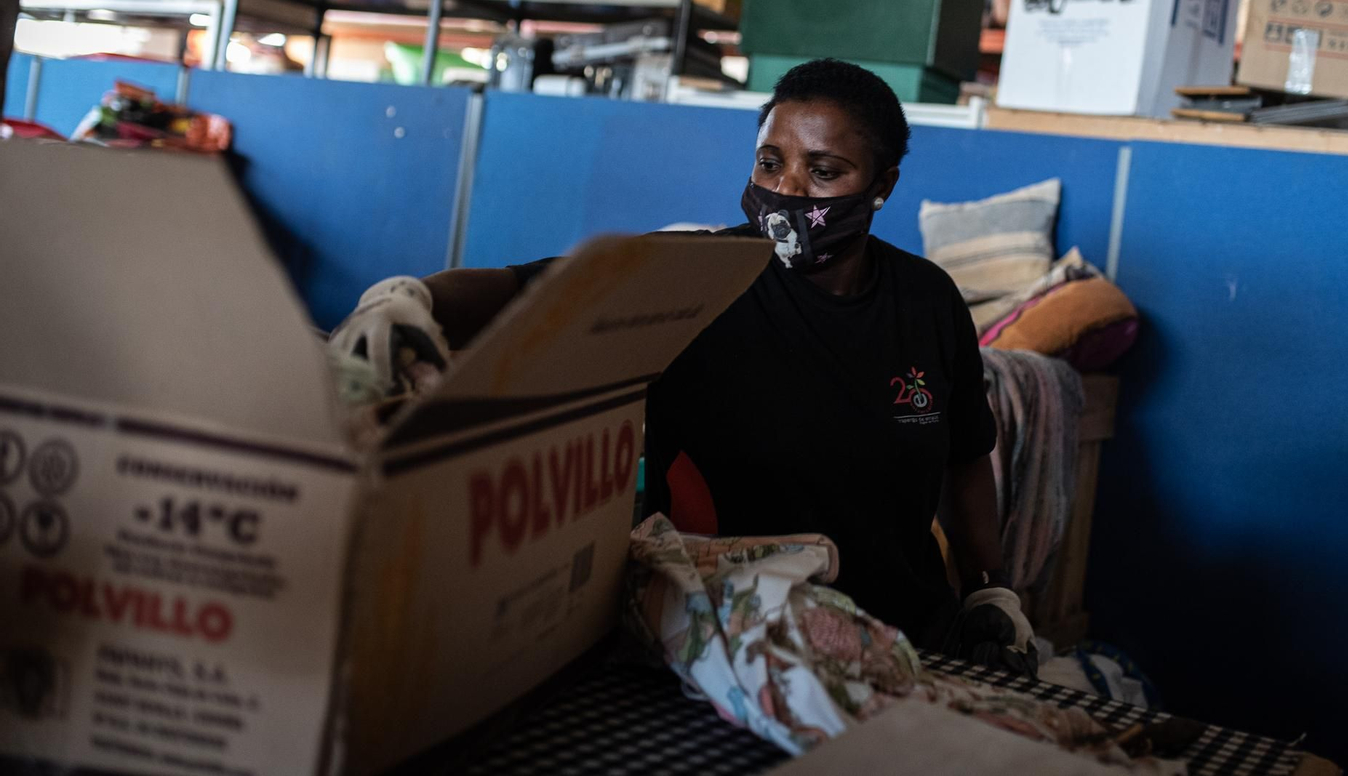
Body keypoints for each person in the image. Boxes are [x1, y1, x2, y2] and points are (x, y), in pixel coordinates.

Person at [331, 58, 1036, 671]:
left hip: (913, 641)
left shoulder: (926, 300)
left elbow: (966, 455)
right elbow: (520, 288)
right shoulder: (693, 282)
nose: (787, 190)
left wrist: (988, 587)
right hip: (737, 640)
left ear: (882, 185)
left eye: (823, 172)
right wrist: (406, 297)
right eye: (770, 161)